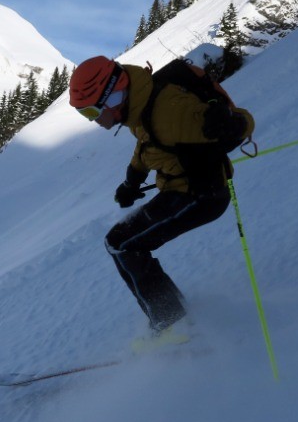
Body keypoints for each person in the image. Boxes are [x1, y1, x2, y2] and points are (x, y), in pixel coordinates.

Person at [69, 55, 255, 344]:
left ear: (112, 97)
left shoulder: (169, 111)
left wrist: (229, 124)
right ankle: (171, 321)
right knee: (117, 242)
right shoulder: (140, 105)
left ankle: (174, 326)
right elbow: (148, 144)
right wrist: (132, 181)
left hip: (201, 194)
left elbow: (243, 123)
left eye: (92, 113)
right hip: (179, 188)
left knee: (124, 245)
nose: (94, 121)